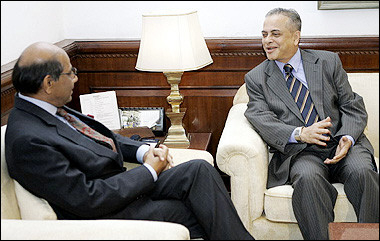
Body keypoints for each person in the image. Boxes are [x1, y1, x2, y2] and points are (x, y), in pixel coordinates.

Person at [5, 42, 254, 240]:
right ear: (49, 83)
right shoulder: (28, 139)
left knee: (199, 169)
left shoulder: (49, 106)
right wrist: (148, 172)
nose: (76, 79)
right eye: (71, 73)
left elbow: (105, 137)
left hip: (120, 187)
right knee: (197, 211)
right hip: (105, 212)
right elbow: (87, 198)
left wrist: (145, 152)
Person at [244, 8, 379, 240]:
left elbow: (352, 104)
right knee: (307, 179)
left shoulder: (327, 61)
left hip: (342, 143)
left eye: (275, 34)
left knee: (363, 172)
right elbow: (259, 117)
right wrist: (300, 133)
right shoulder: (256, 78)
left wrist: (347, 138)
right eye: (264, 34)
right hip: (301, 153)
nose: (267, 41)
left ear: (296, 37)